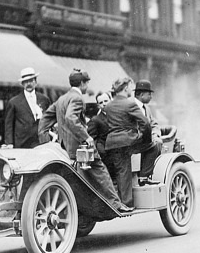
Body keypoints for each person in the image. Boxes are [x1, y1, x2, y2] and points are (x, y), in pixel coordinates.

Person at [38, 68, 132, 213]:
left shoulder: (62, 99)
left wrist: (45, 141)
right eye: (87, 83)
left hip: (65, 148)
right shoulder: (77, 98)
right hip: (81, 147)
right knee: (101, 171)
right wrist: (86, 137)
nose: (87, 86)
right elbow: (71, 118)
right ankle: (116, 204)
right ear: (82, 83)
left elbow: (45, 119)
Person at [102, 77, 150, 207]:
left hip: (112, 143)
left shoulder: (108, 106)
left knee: (121, 171)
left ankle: (123, 201)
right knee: (152, 146)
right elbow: (145, 123)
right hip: (127, 141)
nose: (131, 89)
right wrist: (144, 138)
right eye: (130, 87)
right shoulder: (129, 103)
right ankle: (127, 202)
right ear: (125, 88)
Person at [4, 67, 51, 149]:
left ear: (35, 82)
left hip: (40, 142)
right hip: (22, 144)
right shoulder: (14, 102)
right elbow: (9, 125)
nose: (28, 84)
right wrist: (9, 143)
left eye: (31, 81)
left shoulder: (44, 99)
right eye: (25, 82)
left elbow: (49, 120)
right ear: (22, 84)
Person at [132, 80, 163, 184]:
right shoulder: (131, 107)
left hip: (145, 141)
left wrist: (155, 134)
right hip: (134, 141)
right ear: (141, 95)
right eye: (149, 94)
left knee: (157, 142)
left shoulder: (147, 108)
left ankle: (146, 175)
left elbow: (154, 123)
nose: (151, 97)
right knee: (156, 144)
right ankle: (144, 177)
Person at [87, 92, 116, 180]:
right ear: (98, 105)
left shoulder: (118, 116)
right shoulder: (96, 120)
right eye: (101, 102)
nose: (104, 104)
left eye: (106, 101)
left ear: (111, 101)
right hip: (107, 154)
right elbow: (92, 138)